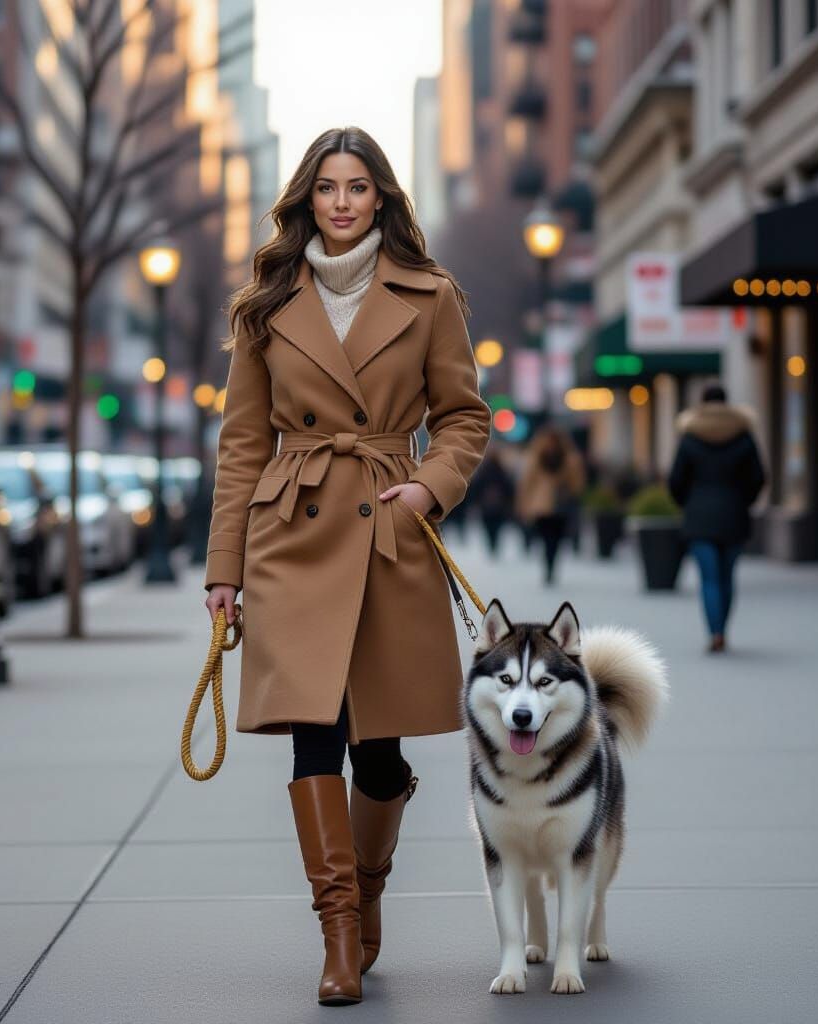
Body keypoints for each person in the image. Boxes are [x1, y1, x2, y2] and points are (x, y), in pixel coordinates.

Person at [203, 127, 492, 1007]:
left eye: (356, 187)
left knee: (380, 751)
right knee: (312, 732)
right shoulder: (266, 303)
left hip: (387, 530)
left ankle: (367, 892)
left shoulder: (431, 294)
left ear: (382, 199)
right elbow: (243, 441)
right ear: (305, 199)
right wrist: (225, 569)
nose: (339, 203)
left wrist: (426, 491)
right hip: (292, 532)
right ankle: (337, 931)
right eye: (325, 187)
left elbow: (465, 420)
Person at [668, 384, 766, 653]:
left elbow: (676, 480)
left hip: (699, 516)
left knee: (709, 578)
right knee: (727, 576)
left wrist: (686, 503)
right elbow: (758, 477)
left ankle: (715, 632)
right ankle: (724, 628)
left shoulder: (690, 437)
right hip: (734, 514)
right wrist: (742, 500)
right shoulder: (744, 436)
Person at [514, 424, 586, 584]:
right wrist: (523, 505)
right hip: (543, 507)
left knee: (556, 540)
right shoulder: (537, 457)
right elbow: (526, 483)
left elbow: (577, 484)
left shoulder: (569, 458)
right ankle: (549, 567)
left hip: (559, 506)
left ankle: (550, 567)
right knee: (548, 540)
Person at [470, 446, 516, 555]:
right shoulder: (501, 470)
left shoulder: (485, 470)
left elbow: (476, 487)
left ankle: (492, 544)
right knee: (494, 527)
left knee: (490, 526)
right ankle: (493, 544)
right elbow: (508, 487)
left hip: (489, 505)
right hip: (496, 505)